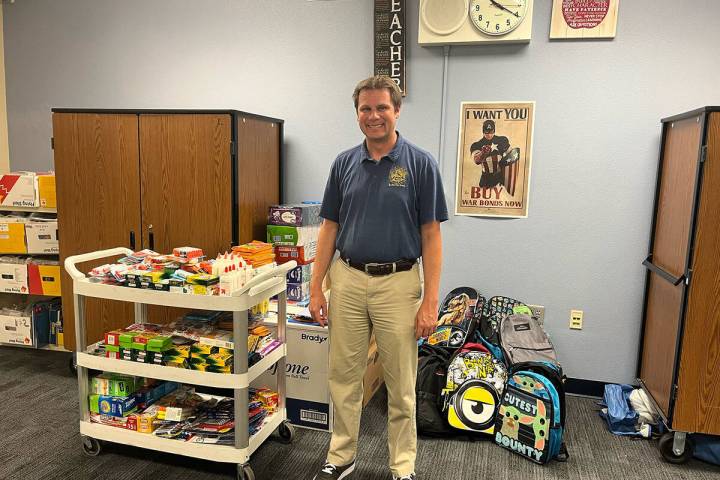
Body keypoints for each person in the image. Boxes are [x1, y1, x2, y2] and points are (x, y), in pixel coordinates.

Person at [309, 76, 448, 480]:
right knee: (343, 377)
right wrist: (317, 286)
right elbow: (329, 228)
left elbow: (431, 235)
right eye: (366, 109)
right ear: (357, 115)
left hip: (399, 283)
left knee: (400, 384)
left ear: (397, 110)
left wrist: (431, 301)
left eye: (381, 108)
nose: (374, 116)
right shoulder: (343, 164)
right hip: (348, 279)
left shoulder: (420, 164)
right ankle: (341, 456)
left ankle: (402, 468)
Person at [471, 119, 510, 188]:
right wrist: (483, 153)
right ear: (483, 132)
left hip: (500, 176)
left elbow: (510, 154)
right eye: (487, 132)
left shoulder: (502, 140)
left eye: (491, 132)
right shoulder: (477, 144)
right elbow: (476, 161)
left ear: (494, 130)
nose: (489, 135)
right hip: (486, 178)